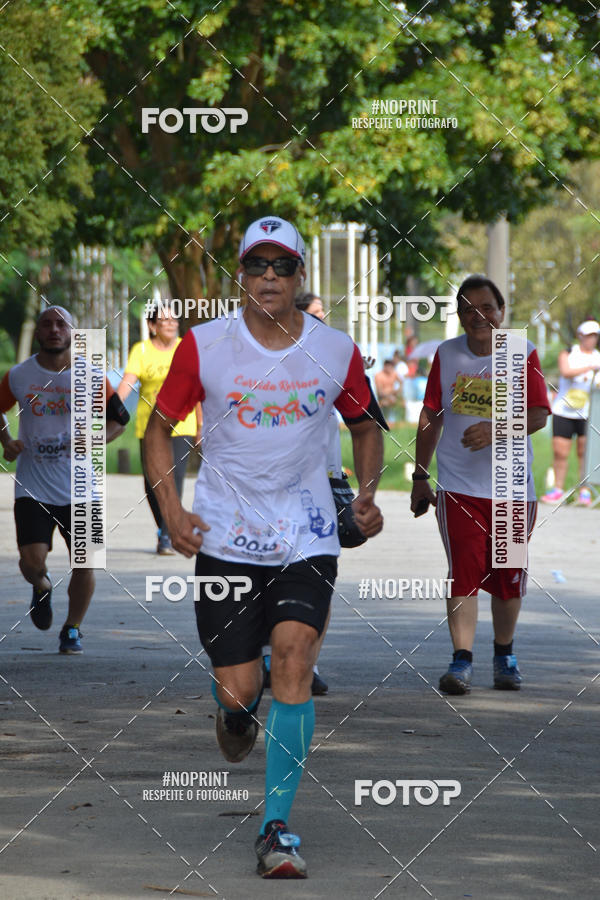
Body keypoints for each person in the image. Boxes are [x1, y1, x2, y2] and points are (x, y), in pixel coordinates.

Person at [144, 215, 385, 878]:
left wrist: (365, 492)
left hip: (306, 531)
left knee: (294, 662)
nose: (270, 278)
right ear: (241, 275)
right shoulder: (204, 346)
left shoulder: (334, 350)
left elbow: (365, 426)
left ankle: (276, 827)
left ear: (301, 274)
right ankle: (236, 711)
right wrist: (172, 510)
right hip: (225, 533)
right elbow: (159, 428)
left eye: (282, 266)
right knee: (239, 687)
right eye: (257, 266)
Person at [410, 275, 550, 695]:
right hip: (459, 487)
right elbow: (431, 416)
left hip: (511, 489)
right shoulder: (447, 353)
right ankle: (461, 661)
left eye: (487, 307)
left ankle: (505, 656)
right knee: (464, 573)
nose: (478, 316)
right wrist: (420, 476)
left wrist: (496, 430)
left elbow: (540, 415)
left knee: (508, 574)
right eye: (468, 308)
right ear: (458, 316)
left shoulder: (520, 352)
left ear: (501, 312)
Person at [0, 306, 129, 653]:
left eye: (61, 324)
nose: (54, 329)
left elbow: (120, 419)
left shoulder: (91, 375)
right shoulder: (19, 375)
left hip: (83, 487)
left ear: (73, 332)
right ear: (39, 333)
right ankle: (41, 585)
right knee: (31, 561)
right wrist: (7, 440)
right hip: (33, 485)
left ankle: (72, 628)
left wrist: (96, 439)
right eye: (47, 324)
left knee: (86, 562)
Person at [117, 303, 202, 554]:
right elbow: (127, 383)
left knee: (173, 478)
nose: (171, 324)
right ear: (152, 326)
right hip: (150, 426)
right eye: (164, 321)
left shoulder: (185, 348)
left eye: (174, 320)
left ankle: (166, 534)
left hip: (182, 424)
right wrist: (110, 407)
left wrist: (201, 425)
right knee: (152, 483)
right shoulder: (141, 350)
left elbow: (197, 391)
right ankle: (165, 527)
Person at [541, 320, 600, 506]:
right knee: (560, 452)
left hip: (587, 413)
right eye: (589, 335)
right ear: (580, 335)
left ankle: (584, 491)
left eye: (595, 336)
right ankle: (558, 490)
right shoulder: (568, 353)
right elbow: (566, 372)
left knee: (584, 452)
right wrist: (589, 368)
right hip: (563, 411)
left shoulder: (598, 356)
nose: (592, 339)